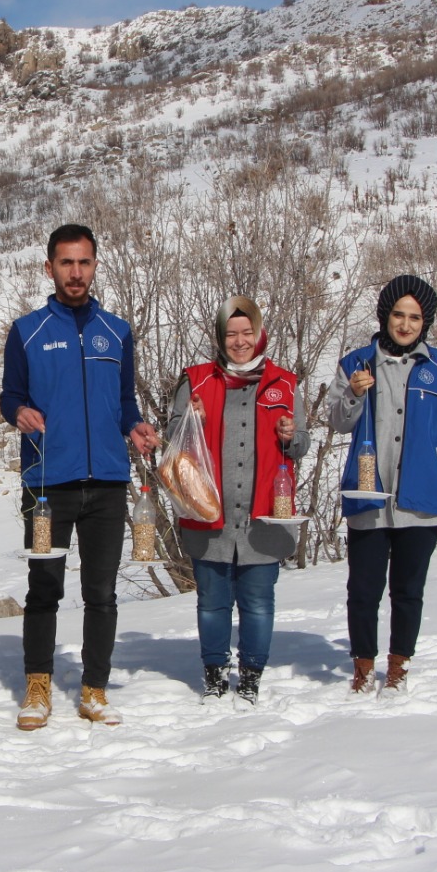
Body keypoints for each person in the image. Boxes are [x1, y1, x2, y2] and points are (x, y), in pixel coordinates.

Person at [0, 224, 159, 730]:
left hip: (108, 482)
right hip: (47, 483)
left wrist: (133, 425)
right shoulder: (27, 331)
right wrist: (19, 413)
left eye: (84, 262)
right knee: (43, 588)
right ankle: (38, 686)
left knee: (102, 592)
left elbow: (125, 402)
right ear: (49, 268)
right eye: (66, 263)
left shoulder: (117, 331)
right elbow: (9, 396)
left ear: (95, 266)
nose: (75, 272)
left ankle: (94, 688)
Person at [326, 274, 437, 693]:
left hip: (422, 497)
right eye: (398, 315)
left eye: (415, 317)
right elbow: (337, 421)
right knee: (363, 590)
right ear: (385, 317)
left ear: (426, 322)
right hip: (368, 495)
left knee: (407, 589)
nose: (405, 324)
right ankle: (363, 667)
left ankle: (399, 666)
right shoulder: (356, 364)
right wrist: (352, 393)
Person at [165, 297, 309, 706]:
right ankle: (213, 674)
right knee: (212, 601)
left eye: (248, 333)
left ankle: (250, 677)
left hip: (264, 513)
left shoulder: (285, 384)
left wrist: (289, 435)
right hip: (209, 511)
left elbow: (300, 444)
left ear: (260, 333)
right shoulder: (195, 381)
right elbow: (174, 440)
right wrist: (192, 419)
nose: (240, 342)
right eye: (231, 334)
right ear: (220, 337)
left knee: (259, 602)